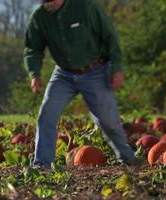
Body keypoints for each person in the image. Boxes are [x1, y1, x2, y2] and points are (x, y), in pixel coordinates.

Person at [24, 0, 141, 168]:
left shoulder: (86, 7)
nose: (47, 4)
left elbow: (109, 36)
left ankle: (128, 159)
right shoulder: (40, 17)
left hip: (96, 70)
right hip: (63, 73)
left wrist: (116, 67)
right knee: (46, 114)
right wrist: (34, 73)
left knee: (108, 121)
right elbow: (33, 48)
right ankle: (41, 165)